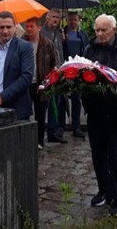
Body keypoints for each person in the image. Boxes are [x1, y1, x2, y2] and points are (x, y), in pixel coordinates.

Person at [81, 14, 117, 216]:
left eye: (103, 30)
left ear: (114, 29)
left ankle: (116, 196)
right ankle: (103, 189)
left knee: (116, 156)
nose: (99, 34)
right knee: (98, 156)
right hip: (96, 113)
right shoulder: (89, 49)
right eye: (97, 30)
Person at [22, 17, 56, 149]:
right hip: (25, 83)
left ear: (39, 28)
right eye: (27, 26)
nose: (29, 29)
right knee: (24, 113)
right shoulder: (21, 42)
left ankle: (39, 140)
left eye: (32, 26)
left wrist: (49, 81)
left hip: (41, 84)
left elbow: (54, 63)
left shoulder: (47, 44)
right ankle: (24, 140)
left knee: (40, 114)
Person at [41, 9, 67, 143]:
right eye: (53, 17)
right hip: (46, 72)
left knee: (55, 103)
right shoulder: (42, 33)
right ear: (48, 18)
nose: (56, 19)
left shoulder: (58, 33)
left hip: (58, 72)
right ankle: (42, 132)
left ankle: (53, 131)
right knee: (45, 103)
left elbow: (60, 52)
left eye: (58, 17)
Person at [63, 11, 89, 139]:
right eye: (70, 19)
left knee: (76, 99)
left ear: (78, 21)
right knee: (62, 100)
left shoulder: (83, 35)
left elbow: (87, 49)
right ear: (67, 20)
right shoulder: (62, 34)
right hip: (65, 69)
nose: (73, 22)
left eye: (75, 19)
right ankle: (60, 127)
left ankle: (76, 127)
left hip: (79, 70)